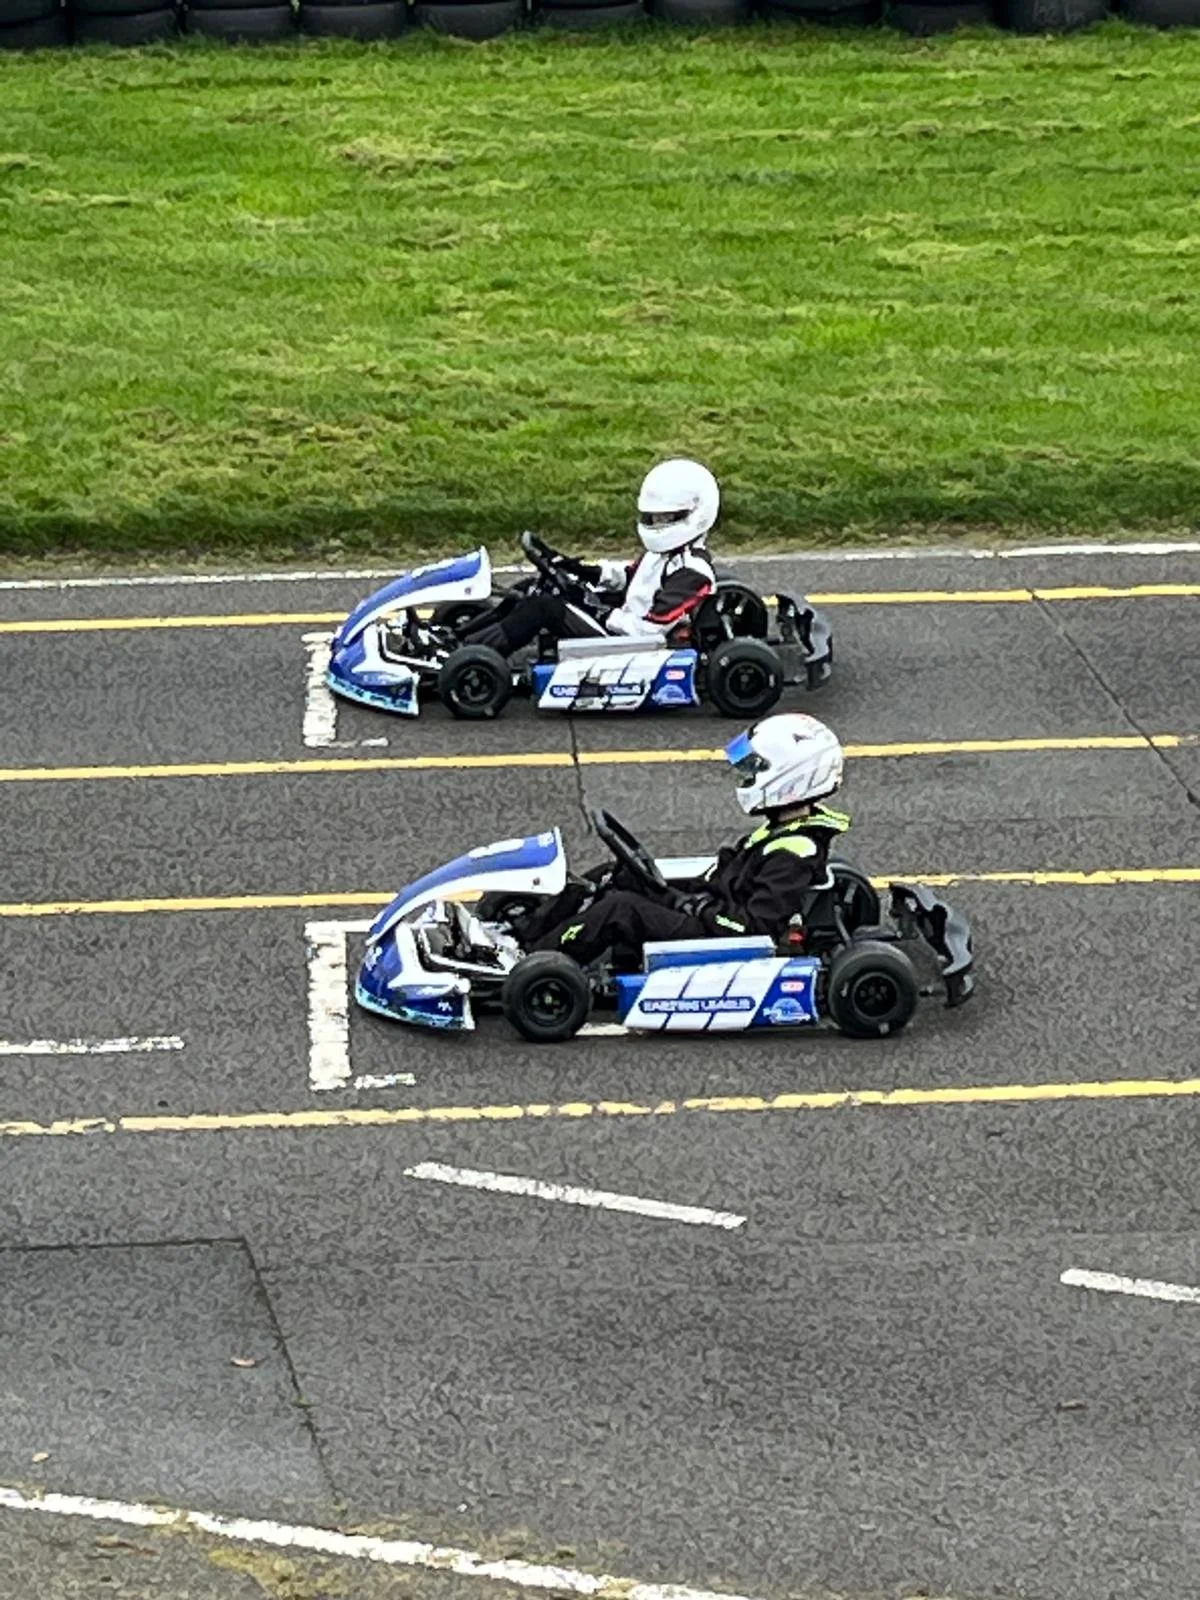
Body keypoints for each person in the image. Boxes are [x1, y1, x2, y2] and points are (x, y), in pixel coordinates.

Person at [517, 713, 851, 973]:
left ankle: (533, 962)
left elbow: (754, 928)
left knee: (620, 909)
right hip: (711, 910)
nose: (747, 777)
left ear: (791, 778)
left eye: (755, 769)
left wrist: (698, 907)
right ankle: (530, 932)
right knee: (615, 874)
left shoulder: (794, 853)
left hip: (724, 937)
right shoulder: (783, 830)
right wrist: (683, 894)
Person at [456, 458, 719, 659]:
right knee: (534, 587)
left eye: (666, 517)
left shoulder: (692, 572)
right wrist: (577, 569)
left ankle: (471, 656)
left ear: (696, 514)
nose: (657, 523)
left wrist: (598, 610)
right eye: (654, 517)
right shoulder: (663, 553)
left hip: (630, 644)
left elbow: (647, 630)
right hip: (620, 622)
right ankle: (462, 636)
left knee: (544, 608)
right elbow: (628, 577)